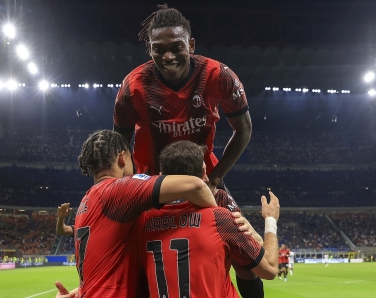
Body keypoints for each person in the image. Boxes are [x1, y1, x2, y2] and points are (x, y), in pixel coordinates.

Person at [113, 4, 252, 194]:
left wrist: (215, 178)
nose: (168, 57)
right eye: (159, 50)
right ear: (150, 49)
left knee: (235, 223)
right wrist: (125, 184)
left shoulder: (219, 76)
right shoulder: (132, 86)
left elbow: (244, 128)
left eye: (177, 48)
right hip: (151, 182)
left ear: (191, 45)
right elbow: (120, 145)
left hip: (203, 178)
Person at [69, 130, 217, 298]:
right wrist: (216, 218)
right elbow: (195, 185)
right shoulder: (119, 189)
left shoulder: (87, 201)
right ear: (122, 157)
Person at [142, 141, 277, 297]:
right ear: (204, 173)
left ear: (160, 176)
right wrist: (270, 219)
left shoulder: (142, 222)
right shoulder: (220, 218)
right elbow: (270, 269)